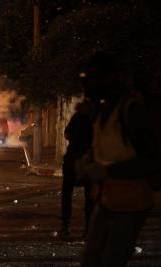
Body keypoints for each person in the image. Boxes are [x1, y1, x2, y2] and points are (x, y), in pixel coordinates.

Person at [78, 52, 161, 267]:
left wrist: (108, 171)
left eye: (96, 78)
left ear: (112, 78)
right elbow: (109, 148)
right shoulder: (104, 111)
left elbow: (152, 160)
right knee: (91, 258)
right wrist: (88, 159)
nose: (90, 85)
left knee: (112, 260)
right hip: (106, 200)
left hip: (131, 203)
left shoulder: (132, 111)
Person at [60, 99, 95, 237]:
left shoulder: (77, 117)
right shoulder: (95, 119)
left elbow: (67, 133)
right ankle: (89, 227)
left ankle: (65, 225)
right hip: (88, 159)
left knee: (67, 193)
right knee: (89, 196)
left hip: (73, 159)